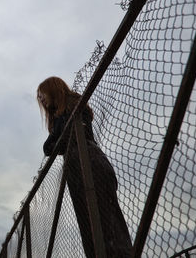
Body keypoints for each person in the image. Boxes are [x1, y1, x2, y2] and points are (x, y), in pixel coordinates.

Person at [37, 76, 132, 258]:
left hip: (89, 159)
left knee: (106, 220)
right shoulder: (59, 116)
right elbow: (48, 148)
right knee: (87, 223)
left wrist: (60, 138)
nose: (42, 100)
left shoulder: (74, 102)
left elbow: (65, 136)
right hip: (74, 167)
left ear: (53, 90)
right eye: (40, 98)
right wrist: (59, 137)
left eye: (43, 95)